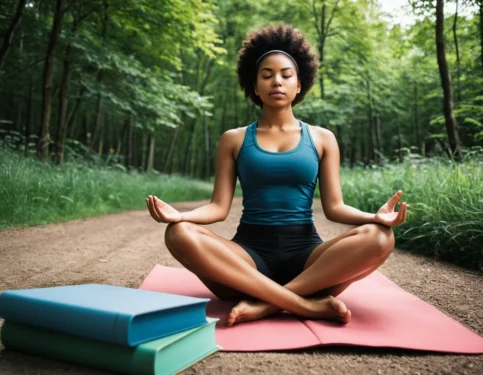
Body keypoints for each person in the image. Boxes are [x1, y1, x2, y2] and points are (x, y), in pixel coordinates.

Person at [146, 23, 408, 327]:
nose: (277, 82)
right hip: (246, 261)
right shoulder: (234, 139)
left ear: (299, 85)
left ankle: (266, 305)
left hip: (308, 260)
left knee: (380, 238)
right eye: (267, 76)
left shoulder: (323, 138)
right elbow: (218, 208)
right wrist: (181, 216)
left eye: (286, 75)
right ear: (254, 87)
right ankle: (304, 305)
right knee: (178, 233)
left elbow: (335, 208)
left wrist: (374, 218)